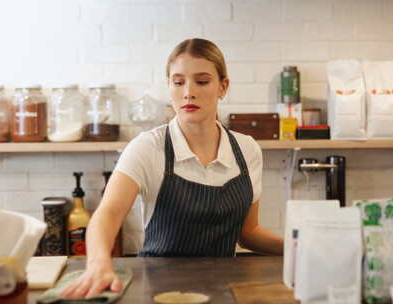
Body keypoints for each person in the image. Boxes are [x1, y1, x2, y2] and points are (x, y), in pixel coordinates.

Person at [62, 38, 284, 299]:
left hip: (225, 289)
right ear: (169, 86)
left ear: (223, 87)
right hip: (159, 290)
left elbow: (248, 234)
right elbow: (108, 214)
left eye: (202, 81)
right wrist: (98, 265)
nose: (188, 92)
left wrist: (298, 247)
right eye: (178, 82)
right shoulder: (148, 147)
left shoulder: (247, 150)